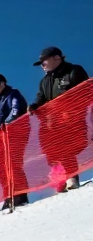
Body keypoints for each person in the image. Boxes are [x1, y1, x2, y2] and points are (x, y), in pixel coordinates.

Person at [29, 46, 90, 192]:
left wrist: (72, 109)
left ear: (56, 57)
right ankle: (59, 179)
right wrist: (35, 105)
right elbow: (41, 97)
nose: (42, 66)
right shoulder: (45, 81)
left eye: (44, 61)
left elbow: (87, 92)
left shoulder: (74, 71)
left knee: (67, 148)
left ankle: (71, 178)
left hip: (73, 120)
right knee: (51, 151)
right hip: (52, 123)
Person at [0, 75, 30, 208]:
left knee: (14, 164)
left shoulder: (12, 95)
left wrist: (1, 127)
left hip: (14, 136)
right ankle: (9, 195)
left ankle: (20, 196)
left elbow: (16, 112)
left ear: (2, 83)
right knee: (2, 168)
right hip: (0, 140)